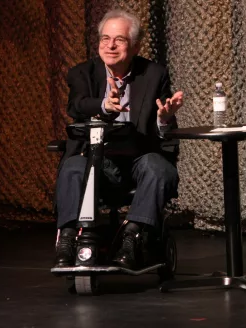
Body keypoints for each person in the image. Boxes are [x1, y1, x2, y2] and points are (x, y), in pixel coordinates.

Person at [54, 9, 184, 269]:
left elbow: (164, 129)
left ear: (134, 46)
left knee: (159, 168)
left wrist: (164, 118)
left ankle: (132, 236)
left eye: (119, 40)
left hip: (138, 159)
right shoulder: (82, 73)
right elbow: (77, 105)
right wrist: (105, 105)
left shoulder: (154, 74)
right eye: (105, 39)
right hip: (95, 160)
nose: (110, 46)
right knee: (72, 168)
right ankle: (68, 238)